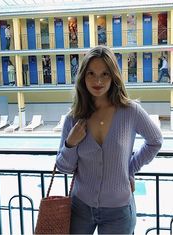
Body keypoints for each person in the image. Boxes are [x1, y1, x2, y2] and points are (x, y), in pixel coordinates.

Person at [56, 45, 163, 234]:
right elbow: (64, 167)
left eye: (105, 74)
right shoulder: (74, 118)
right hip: (80, 208)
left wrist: (130, 168)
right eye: (91, 73)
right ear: (83, 77)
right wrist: (70, 144)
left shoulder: (130, 111)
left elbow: (155, 141)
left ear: (113, 76)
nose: (98, 80)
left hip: (119, 211)